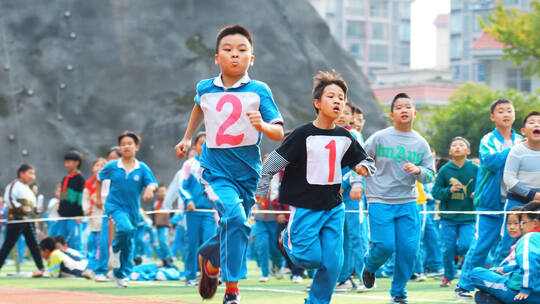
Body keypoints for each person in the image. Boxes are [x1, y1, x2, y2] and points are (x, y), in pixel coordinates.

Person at [174, 25, 284, 304]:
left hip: (248, 174)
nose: (235, 55)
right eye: (228, 49)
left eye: (242, 50)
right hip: (215, 171)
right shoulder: (205, 88)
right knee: (235, 220)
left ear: (252, 58)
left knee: (235, 225)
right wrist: (187, 138)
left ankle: (210, 260)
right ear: (216, 58)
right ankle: (232, 289)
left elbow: (279, 132)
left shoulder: (259, 90)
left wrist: (263, 125)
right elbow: (199, 106)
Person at [256, 71, 375, 304]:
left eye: (341, 97)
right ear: (317, 103)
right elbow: (271, 164)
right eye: (331, 96)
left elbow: (365, 161)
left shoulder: (345, 136)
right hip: (305, 207)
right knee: (308, 259)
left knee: (333, 264)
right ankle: (287, 238)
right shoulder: (302, 134)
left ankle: (316, 301)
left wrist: (363, 169)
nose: (337, 101)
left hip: (333, 207)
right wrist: (261, 191)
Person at [359, 93, 435, 304]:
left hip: (408, 202)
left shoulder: (420, 143)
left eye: (408, 106)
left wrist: (418, 170)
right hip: (379, 200)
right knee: (385, 246)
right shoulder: (379, 137)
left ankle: (399, 293)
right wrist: (358, 180)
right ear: (392, 114)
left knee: (409, 251)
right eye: (399, 107)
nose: (404, 110)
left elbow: (430, 175)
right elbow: (360, 160)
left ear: (415, 113)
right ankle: (370, 265)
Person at [455, 99, 523, 299]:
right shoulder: (488, 140)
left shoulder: (521, 139)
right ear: (493, 117)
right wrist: (519, 150)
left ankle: (497, 285)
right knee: (482, 244)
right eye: (500, 111)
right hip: (490, 202)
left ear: (514, 115)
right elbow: (492, 161)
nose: (506, 114)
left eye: (509, 110)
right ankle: (464, 285)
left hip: (515, 204)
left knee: (508, 246)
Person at [96, 131, 158, 288]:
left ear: (136, 147)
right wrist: (98, 198)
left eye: (130, 143)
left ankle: (119, 274)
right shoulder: (112, 166)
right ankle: (115, 250)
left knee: (129, 240)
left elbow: (152, 183)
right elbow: (99, 178)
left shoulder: (142, 168)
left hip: (133, 209)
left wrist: (150, 189)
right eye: (123, 144)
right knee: (125, 228)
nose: (126, 146)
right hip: (115, 206)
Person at [432, 137, 479, 287]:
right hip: (448, 217)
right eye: (454, 145)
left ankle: (457, 256)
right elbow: (435, 192)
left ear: (468, 150)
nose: (457, 147)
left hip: (468, 216)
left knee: (466, 245)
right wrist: (449, 190)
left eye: (461, 145)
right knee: (447, 249)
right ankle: (448, 276)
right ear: (450, 151)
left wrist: (477, 194)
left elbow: (483, 187)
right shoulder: (445, 170)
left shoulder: (475, 169)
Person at [470, 202, 540, 303]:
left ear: (535, 223)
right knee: (487, 292)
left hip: (522, 294)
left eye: (522, 222)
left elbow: (528, 263)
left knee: (476, 274)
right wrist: (507, 271)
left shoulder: (529, 238)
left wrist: (525, 289)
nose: (520, 227)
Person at [178, 132, 218, 286]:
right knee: (192, 244)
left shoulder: (216, 164)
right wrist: (188, 200)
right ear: (195, 145)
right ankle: (190, 277)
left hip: (210, 213)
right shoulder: (189, 165)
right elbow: (182, 186)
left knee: (210, 243)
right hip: (192, 212)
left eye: (208, 143)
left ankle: (208, 275)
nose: (205, 146)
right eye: (201, 143)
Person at [501, 111, 540, 258]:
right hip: (517, 201)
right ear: (523, 131)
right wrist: (533, 195)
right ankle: (501, 275)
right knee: (508, 241)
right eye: (532, 122)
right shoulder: (517, 150)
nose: (536, 124)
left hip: (539, 205)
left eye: (539, 123)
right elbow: (509, 179)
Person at [0, 163, 44, 273]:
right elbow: (9, 199)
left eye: (33, 174)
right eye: (30, 173)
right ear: (21, 173)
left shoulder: (27, 188)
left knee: (34, 244)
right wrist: (20, 208)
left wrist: (36, 211)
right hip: (16, 219)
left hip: (28, 220)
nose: (33, 176)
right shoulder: (14, 185)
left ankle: (41, 268)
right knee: (8, 245)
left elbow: (32, 206)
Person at [93, 146, 121, 282]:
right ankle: (101, 271)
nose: (111, 161)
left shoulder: (125, 173)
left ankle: (117, 271)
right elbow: (99, 185)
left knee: (120, 242)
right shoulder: (106, 174)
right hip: (109, 210)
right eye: (109, 159)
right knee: (104, 241)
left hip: (123, 211)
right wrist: (98, 199)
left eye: (115, 159)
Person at [56, 150, 85, 251]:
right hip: (63, 215)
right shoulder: (66, 178)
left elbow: (81, 198)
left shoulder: (80, 178)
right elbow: (61, 196)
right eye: (65, 162)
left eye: (69, 161)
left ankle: (77, 263)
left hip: (74, 216)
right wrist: (60, 212)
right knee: (62, 240)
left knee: (74, 240)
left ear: (77, 163)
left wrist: (79, 214)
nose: (66, 164)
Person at [82, 157, 107, 274]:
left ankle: (98, 268)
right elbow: (85, 198)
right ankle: (90, 266)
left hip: (105, 218)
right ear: (92, 168)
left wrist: (100, 201)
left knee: (101, 244)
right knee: (91, 243)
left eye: (102, 165)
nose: (99, 168)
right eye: (97, 165)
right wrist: (86, 209)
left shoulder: (108, 182)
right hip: (93, 219)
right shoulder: (89, 183)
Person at [153, 185, 174, 267]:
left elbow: (173, 213)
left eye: (164, 191)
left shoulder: (168, 202)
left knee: (163, 241)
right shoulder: (156, 203)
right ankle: (164, 260)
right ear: (157, 193)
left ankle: (170, 258)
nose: (163, 193)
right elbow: (154, 215)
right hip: (158, 226)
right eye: (160, 191)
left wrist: (172, 222)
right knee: (159, 244)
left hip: (165, 225)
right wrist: (154, 223)